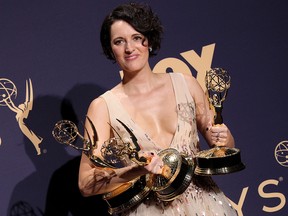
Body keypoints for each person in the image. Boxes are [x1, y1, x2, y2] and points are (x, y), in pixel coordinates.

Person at [79, 2, 238, 216]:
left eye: (136, 38)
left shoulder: (187, 85)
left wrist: (225, 138)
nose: (129, 48)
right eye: (119, 41)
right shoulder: (103, 107)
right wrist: (135, 170)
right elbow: (86, 183)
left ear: (149, 41)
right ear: (111, 50)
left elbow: (222, 148)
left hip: (207, 208)